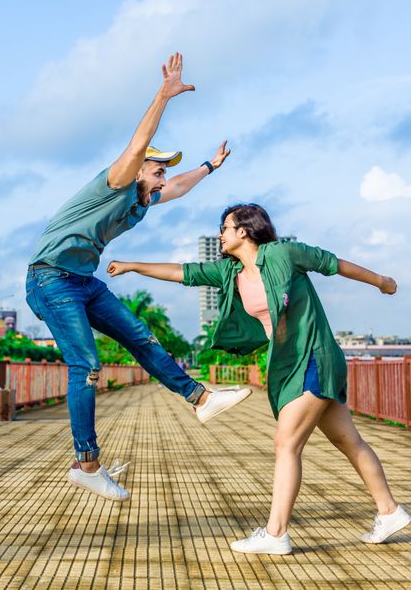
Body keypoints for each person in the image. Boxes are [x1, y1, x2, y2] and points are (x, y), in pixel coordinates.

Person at [107, 203, 411, 551]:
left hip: (314, 357)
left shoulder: (284, 253)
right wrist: (133, 266)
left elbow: (335, 264)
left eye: (225, 227)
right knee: (348, 441)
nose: (220, 234)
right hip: (286, 364)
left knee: (286, 443)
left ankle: (277, 533)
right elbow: (183, 272)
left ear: (244, 231)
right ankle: (389, 511)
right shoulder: (229, 272)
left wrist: (382, 282)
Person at [26, 53, 251, 502]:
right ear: (140, 168)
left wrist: (210, 166)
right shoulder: (118, 182)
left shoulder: (143, 201)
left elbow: (181, 186)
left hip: (83, 282)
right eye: (158, 168)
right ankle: (86, 463)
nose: (163, 174)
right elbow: (137, 145)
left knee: (142, 338)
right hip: (50, 280)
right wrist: (163, 95)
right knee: (87, 366)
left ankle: (201, 400)